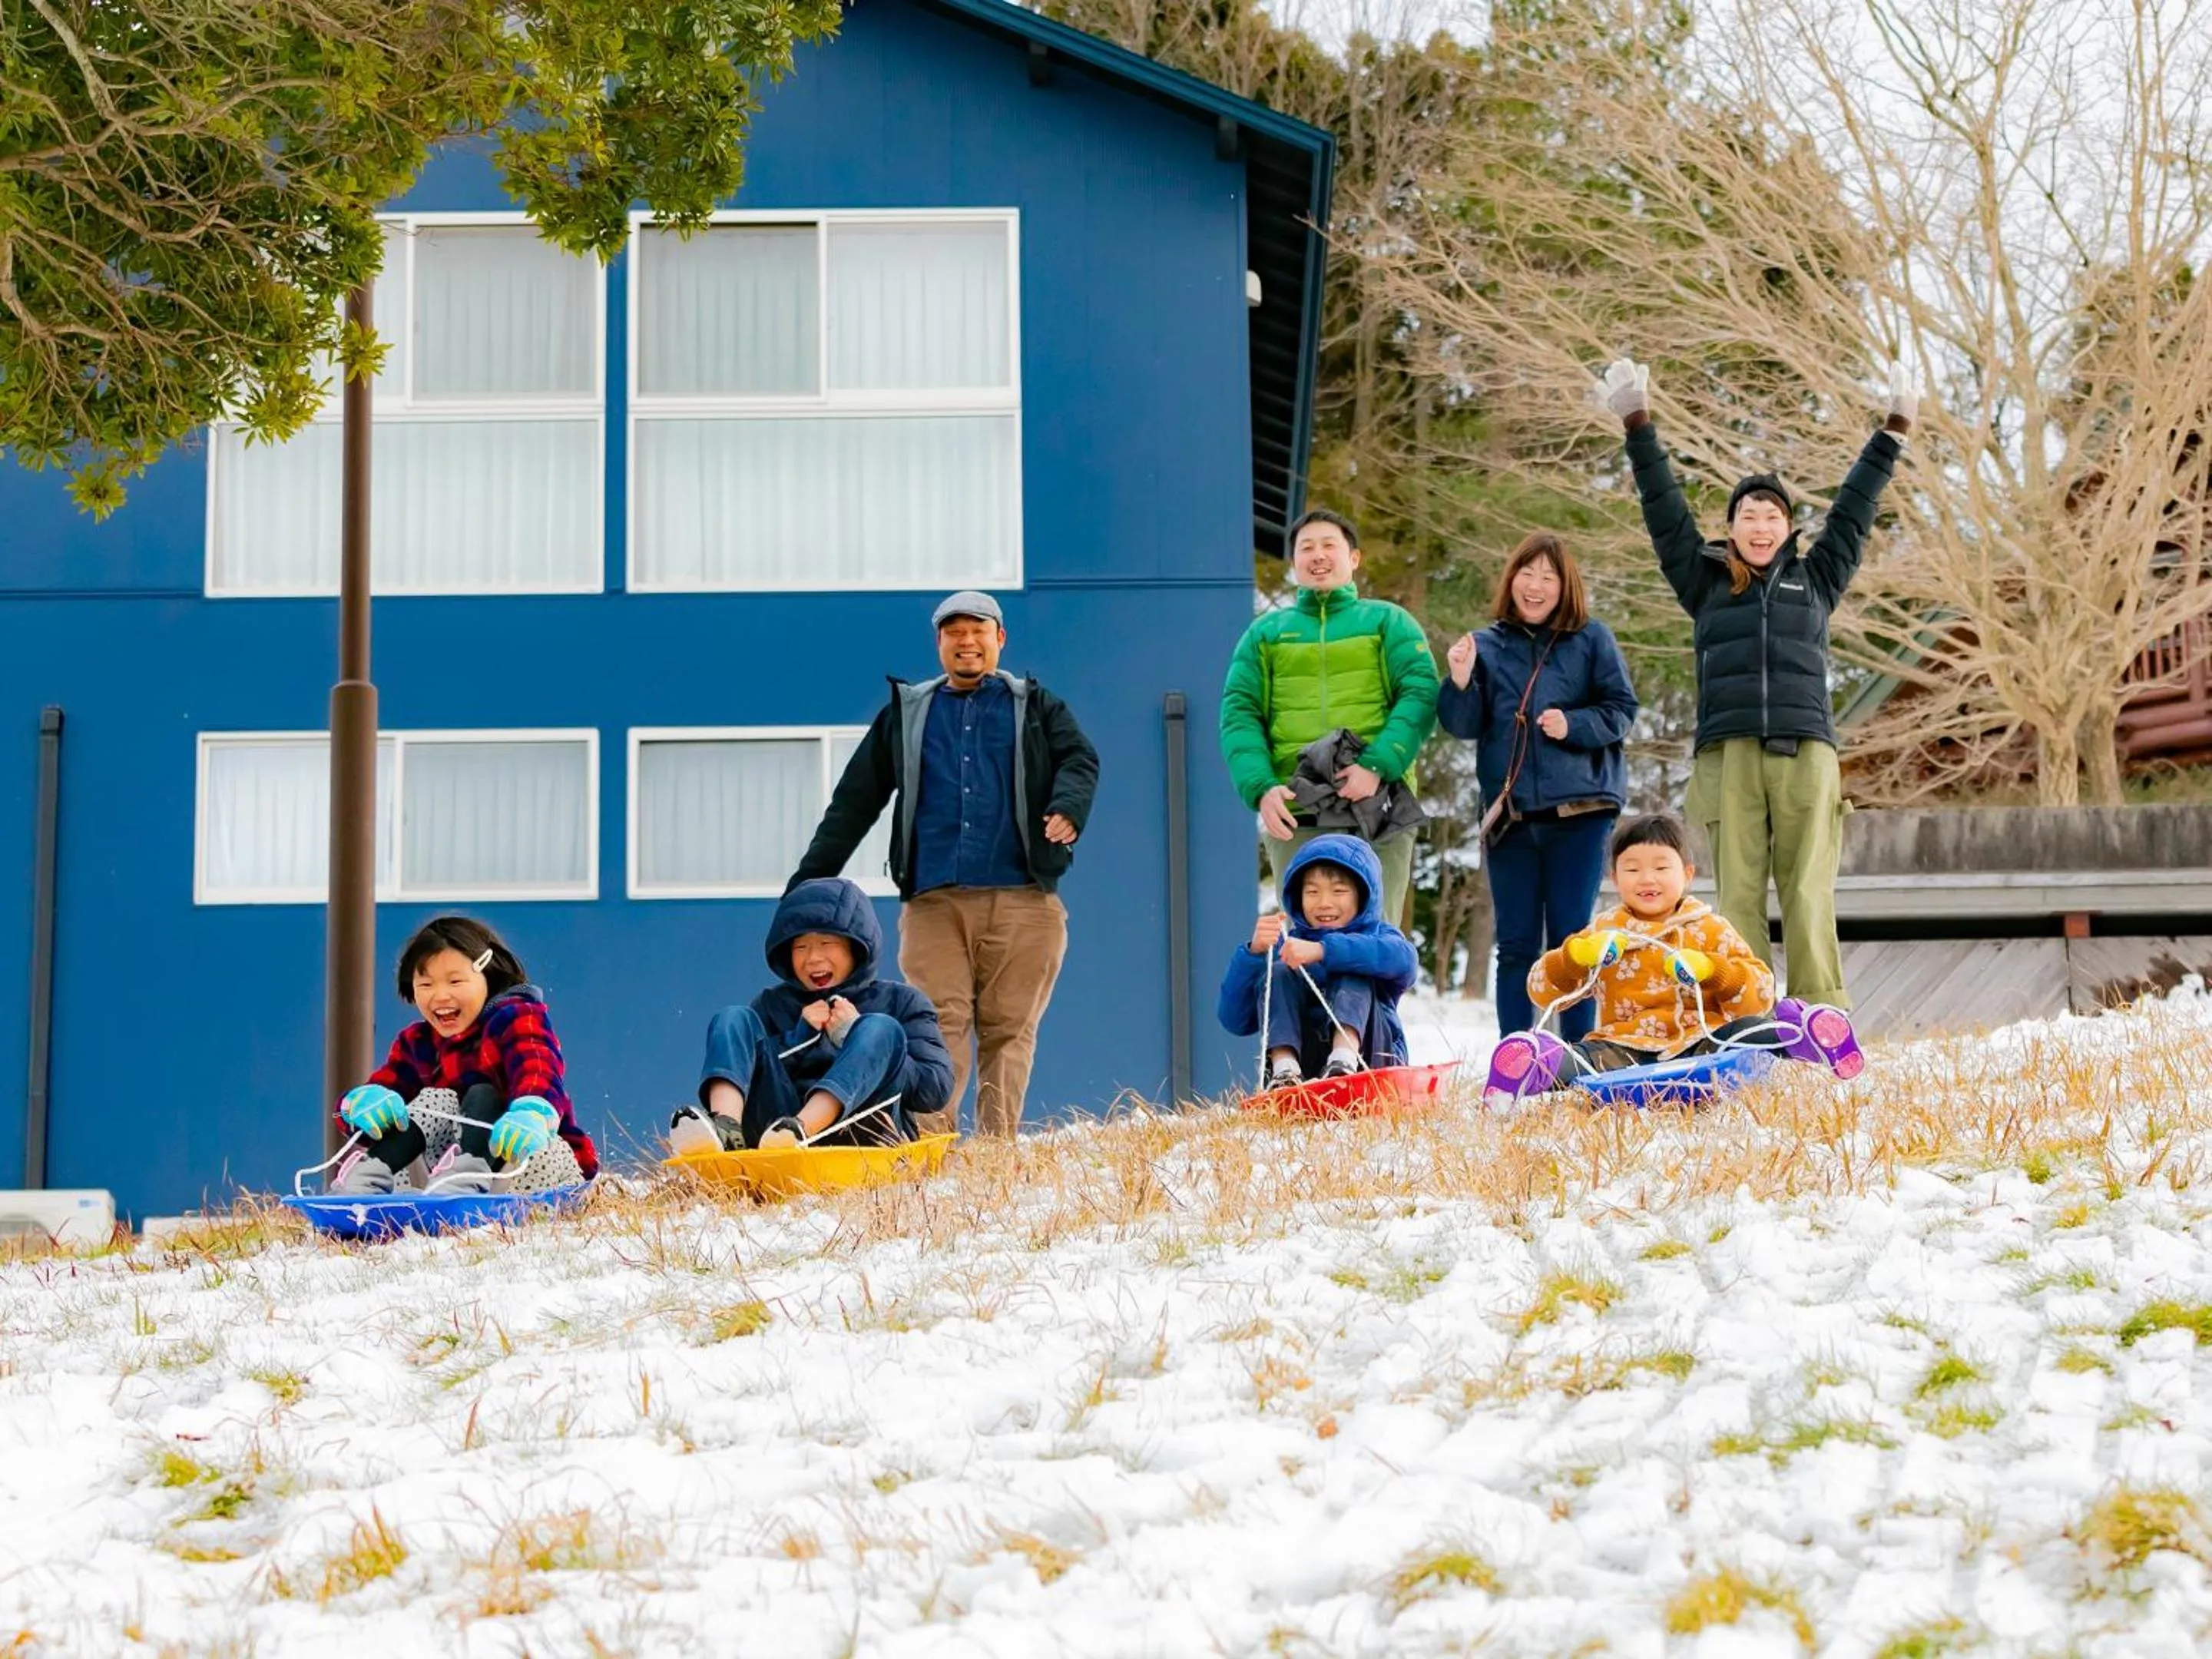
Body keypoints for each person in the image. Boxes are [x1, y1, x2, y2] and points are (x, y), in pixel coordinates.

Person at [1595, 356, 1917, 1007]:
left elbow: (1855, 509)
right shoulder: (1705, 581)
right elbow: (1664, 511)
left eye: (1772, 515)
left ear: (1788, 528)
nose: (1761, 524)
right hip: (1730, 749)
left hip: (1806, 746)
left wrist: (1894, 430)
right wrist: (1637, 421)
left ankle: (1821, 1008)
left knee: (1806, 887)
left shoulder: (1816, 578)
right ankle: (1743, 1007)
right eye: (1749, 514)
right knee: (1737, 890)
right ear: (1733, 527)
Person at [789, 591, 1098, 1139]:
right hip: (933, 902)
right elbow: (856, 800)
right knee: (936, 1024)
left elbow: (1079, 758)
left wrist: (1068, 808)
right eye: (953, 632)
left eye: (978, 630)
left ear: (999, 638)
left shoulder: (1037, 706)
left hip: (1024, 898)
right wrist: (808, 884)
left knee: (1010, 1028)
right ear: (939, 644)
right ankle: (935, 1149)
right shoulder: (908, 714)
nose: (966, 641)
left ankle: (997, 1149)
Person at [1485, 814, 1864, 1100]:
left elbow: (1760, 988)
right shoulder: (1603, 932)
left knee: (1746, 1032)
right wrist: (1575, 958)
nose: (1647, 879)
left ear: (1687, 873)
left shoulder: (1709, 928)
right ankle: (1533, 1064)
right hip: (1626, 1050)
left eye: (1661, 868)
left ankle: (1804, 1033)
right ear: (1616, 879)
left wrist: (1714, 971)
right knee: (1586, 1060)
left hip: (1704, 1044)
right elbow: (1540, 990)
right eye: (1632, 869)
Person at [1435, 532, 1638, 1041]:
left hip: (1581, 813)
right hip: (1513, 820)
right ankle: (1516, 1058)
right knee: (1517, 945)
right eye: (1527, 573)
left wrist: (1574, 726)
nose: (1536, 585)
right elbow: (1463, 724)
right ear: (1512, 580)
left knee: (1574, 940)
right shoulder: (1486, 644)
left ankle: (1576, 1058)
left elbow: (1622, 711)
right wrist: (1460, 679)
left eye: (1548, 576)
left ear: (1564, 585)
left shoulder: (1592, 639)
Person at [1220, 508, 1440, 927]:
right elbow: (1239, 715)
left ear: (1354, 558)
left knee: (1379, 943)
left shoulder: (1388, 621)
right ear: (1293, 563)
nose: (1317, 555)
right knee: (1305, 946)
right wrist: (1262, 789)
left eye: (1329, 546)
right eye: (1306, 548)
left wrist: (1377, 765)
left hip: (1380, 807)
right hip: (1298, 810)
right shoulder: (1264, 634)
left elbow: (1420, 694)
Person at [672, 877, 953, 1152]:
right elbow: (757, 1069)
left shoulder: (902, 1001)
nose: (813, 958)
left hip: (867, 1135)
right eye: (800, 947)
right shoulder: (772, 1004)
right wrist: (799, 1037)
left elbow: (934, 1091)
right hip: (773, 1135)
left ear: (856, 947)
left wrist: (859, 1040)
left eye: (827, 944)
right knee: (733, 1018)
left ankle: (800, 1131)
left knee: (881, 1028)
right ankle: (726, 1130)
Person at [332, 916, 594, 1195]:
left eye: (455, 981)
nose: (440, 996)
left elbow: (537, 1065)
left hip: (530, 1163)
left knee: (484, 1093)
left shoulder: (516, 1018)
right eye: (426, 985)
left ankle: (468, 1178)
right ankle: (369, 1178)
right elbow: (386, 1098)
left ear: (487, 975)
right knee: (436, 1100)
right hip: (446, 1179)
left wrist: (533, 1111)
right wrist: (361, 1106)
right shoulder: (418, 1042)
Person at [1217, 833, 1419, 1088]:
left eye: (1339, 891)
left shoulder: (1380, 936)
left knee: (1353, 965)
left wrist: (1324, 950)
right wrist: (1254, 954)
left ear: (1363, 895)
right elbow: (1234, 1019)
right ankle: (1284, 1070)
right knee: (1280, 972)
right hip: (1308, 1065)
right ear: (1297, 897)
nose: (1324, 903)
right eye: (1312, 891)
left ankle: (1344, 1060)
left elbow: (1405, 962)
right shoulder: (1288, 946)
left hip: (1372, 1062)